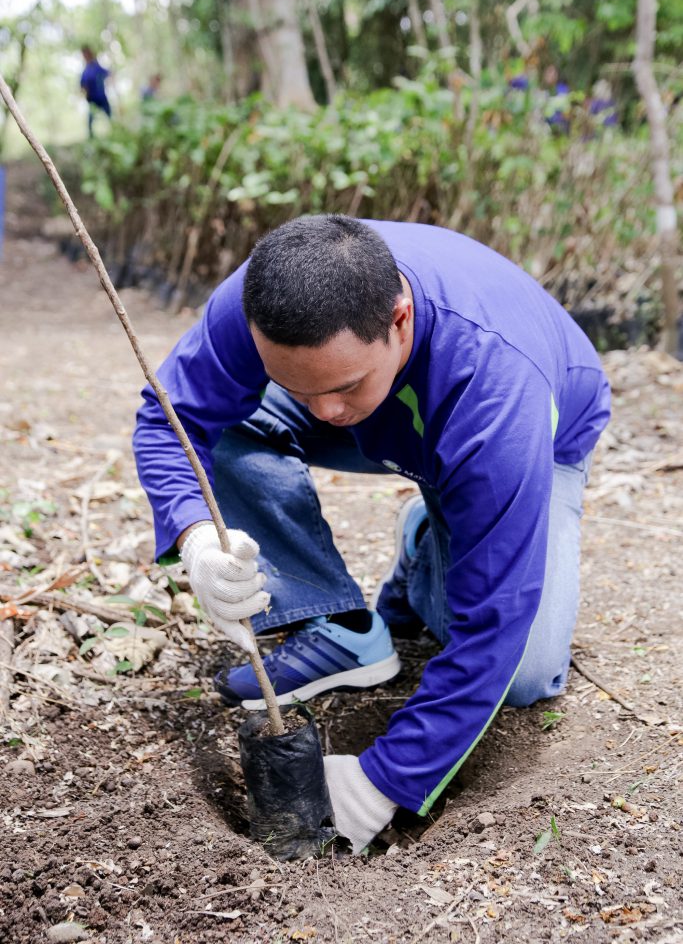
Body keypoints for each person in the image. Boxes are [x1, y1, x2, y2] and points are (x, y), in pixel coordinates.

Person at [133, 217, 610, 853]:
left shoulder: (496, 388)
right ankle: (339, 623)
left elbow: (496, 617)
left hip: (526, 434)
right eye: (297, 387)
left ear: (400, 317)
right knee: (238, 428)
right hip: (397, 414)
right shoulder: (261, 302)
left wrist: (384, 780)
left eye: (344, 384)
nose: (323, 412)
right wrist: (195, 537)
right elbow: (172, 420)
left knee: (525, 671)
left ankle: (430, 538)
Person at [80, 46, 111, 137]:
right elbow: (82, 86)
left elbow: (108, 73)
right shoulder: (85, 71)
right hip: (92, 99)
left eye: (86, 54)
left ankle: (113, 132)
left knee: (109, 115)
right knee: (91, 118)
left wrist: (110, 81)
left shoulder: (97, 67)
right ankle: (91, 137)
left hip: (102, 97)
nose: (85, 56)